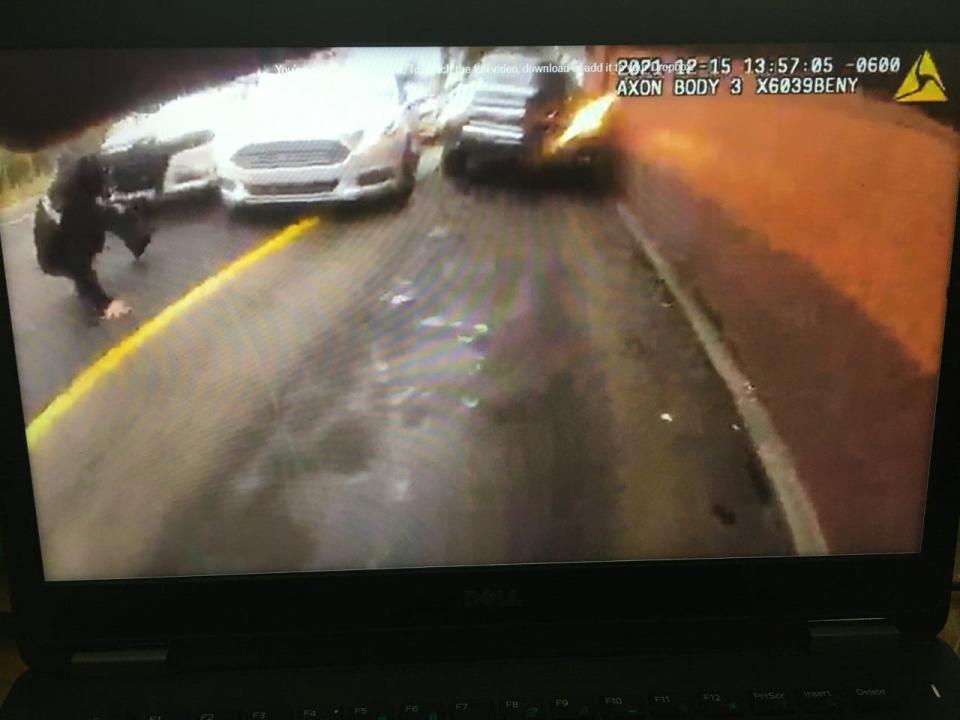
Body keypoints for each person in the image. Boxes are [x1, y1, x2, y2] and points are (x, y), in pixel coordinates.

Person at [33, 153, 151, 319]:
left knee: (108, 213)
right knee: (103, 219)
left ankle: (139, 241)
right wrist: (105, 304)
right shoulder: (77, 213)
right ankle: (138, 241)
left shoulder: (63, 183)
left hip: (47, 249)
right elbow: (79, 265)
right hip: (55, 258)